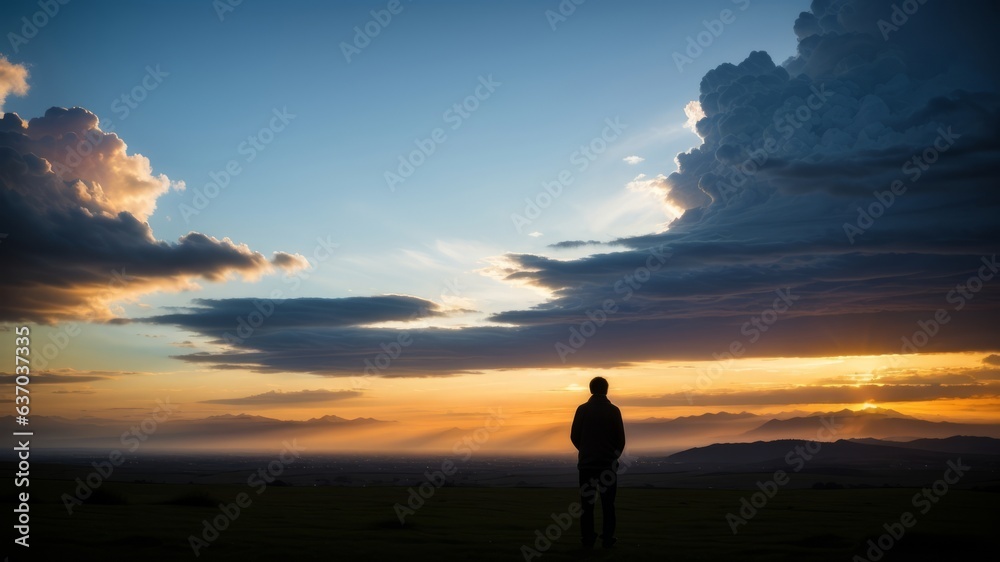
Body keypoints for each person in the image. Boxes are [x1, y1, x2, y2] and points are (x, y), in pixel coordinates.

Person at [570, 376, 626, 549]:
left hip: (587, 466)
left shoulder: (582, 410)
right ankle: (607, 539)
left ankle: (588, 539)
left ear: (591, 390)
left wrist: (586, 451)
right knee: (608, 505)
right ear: (606, 390)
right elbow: (620, 440)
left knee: (587, 505)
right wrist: (612, 457)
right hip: (607, 466)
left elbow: (574, 436)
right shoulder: (614, 411)